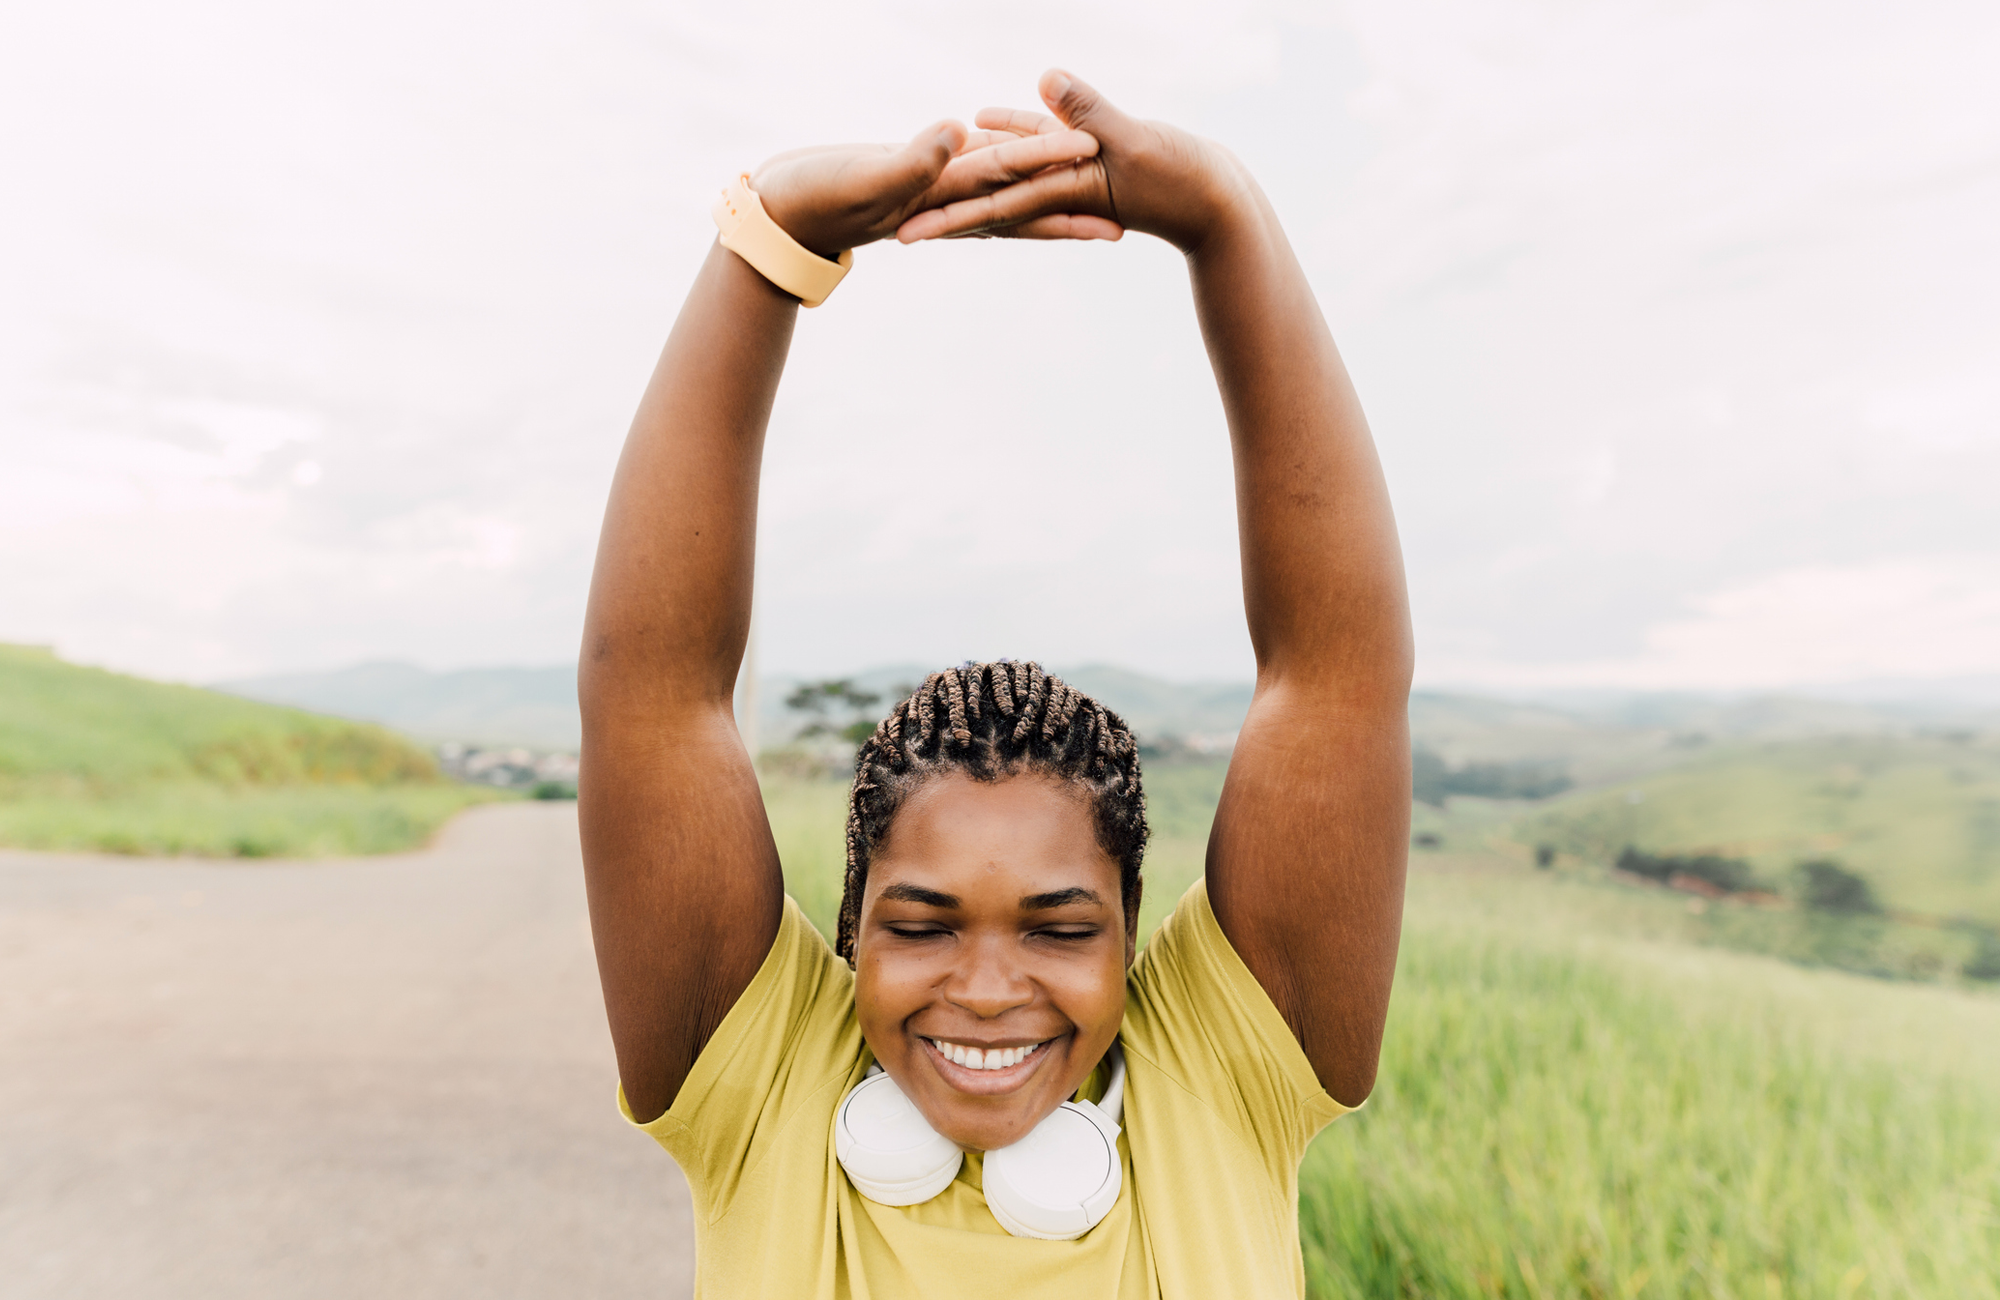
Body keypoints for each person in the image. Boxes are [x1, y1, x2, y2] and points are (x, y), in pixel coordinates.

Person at [579, 68, 1411, 1298]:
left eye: (1060, 928)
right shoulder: (759, 1087)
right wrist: (768, 244)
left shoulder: (1220, 1079)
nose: (982, 989)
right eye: (917, 925)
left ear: (1131, 935)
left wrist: (1226, 220)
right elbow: (652, 697)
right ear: (851, 928)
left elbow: (1333, 675)